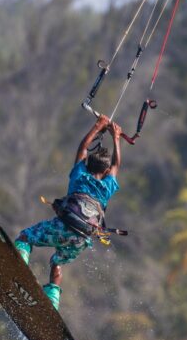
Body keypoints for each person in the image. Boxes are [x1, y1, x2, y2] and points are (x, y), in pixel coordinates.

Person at [14, 115, 123, 310]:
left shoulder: (79, 175)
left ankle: (18, 270)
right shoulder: (107, 187)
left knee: (24, 238)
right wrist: (116, 137)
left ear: (87, 165)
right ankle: (52, 303)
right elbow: (116, 165)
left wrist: (98, 126)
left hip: (64, 227)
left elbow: (82, 148)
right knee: (57, 262)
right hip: (81, 239)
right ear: (106, 172)